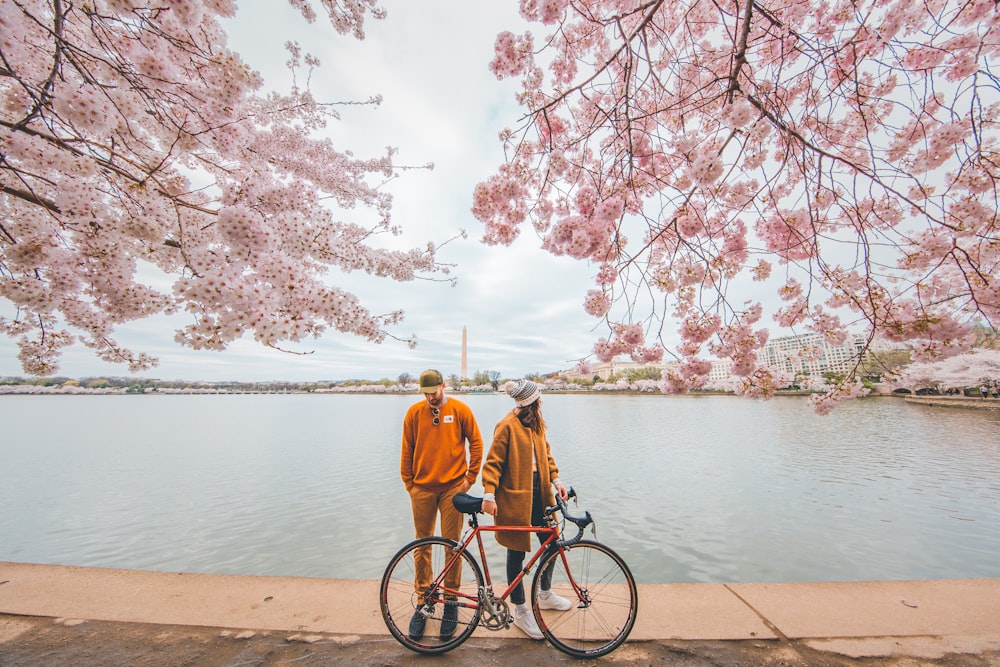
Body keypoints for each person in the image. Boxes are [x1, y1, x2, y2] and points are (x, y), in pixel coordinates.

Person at [481, 379, 572, 640]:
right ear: (532, 401)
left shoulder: (537, 424)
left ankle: (544, 593)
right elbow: (493, 463)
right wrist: (489, 493)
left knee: (552, 545)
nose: (541, 400)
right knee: (516, 552)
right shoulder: (507, 425)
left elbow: (547, 455)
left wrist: (557, 480)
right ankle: (520, 609)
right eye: (539, 397)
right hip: (514, 498)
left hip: (540, 493)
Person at [400, 369, 484, 640]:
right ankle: (424, 600)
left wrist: (469, 481)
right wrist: (409, 484)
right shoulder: (414, 413)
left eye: (433, 393)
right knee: (421, 545)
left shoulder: (460, 409)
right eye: (425, 394)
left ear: (443, 386)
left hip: (452, 489)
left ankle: (450, 601)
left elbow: (477, 444)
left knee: (453, 545)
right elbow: (406, 449)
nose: (430, 398)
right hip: (421, 489)